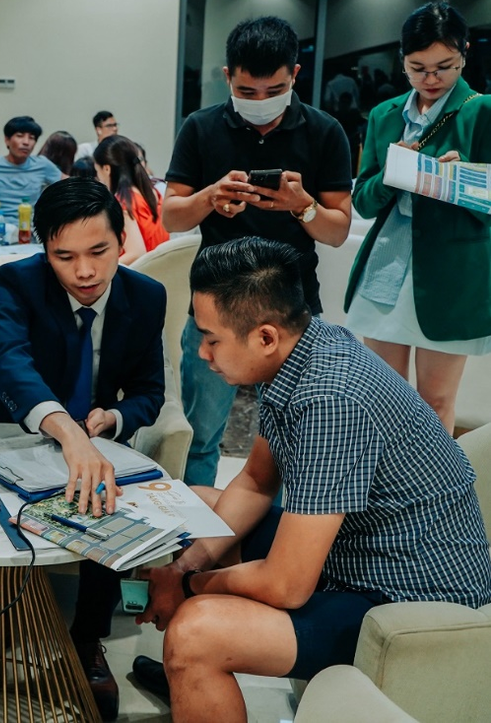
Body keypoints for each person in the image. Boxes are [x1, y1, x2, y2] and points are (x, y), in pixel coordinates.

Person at [131, 237, 491, 723]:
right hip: (357, 553)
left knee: (195, 632)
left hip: (407, 597)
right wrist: (181, 569)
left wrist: (191, 587)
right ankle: (191, 684)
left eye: (212, 339)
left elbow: (286, 586)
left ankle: (192, 663)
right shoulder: (302, 348)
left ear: (265, 337)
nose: (203, 352)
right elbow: (256, 481)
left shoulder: (331, 401)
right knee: (197, 505)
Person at [0, 177, 166, 721]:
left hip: (91, 431)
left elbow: (150, 390)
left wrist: (114, 418)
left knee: (104, 497)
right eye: (65, 256)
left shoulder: (146, 295)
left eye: (98, 252)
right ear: (45, 251)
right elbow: (7, 360)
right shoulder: (18, 280)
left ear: (121, 240)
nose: (84, 271)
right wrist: (69, 432)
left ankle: (87, 641)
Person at [161, 15, 353, 488]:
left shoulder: (325, 131)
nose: (261, 102)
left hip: (292, 308)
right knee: (200, 434)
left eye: (275, 90)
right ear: (228, 76)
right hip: (215, 308)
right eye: (247, 91)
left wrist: (301, 206)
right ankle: (198, 522)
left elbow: (337, 232)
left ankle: (285, 526)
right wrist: (210, 197)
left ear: (295, 75)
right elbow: (172, 217)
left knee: (296, 436)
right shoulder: (201, 127)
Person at [344, 1, 491, 434]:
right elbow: (364, 202)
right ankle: (386, 477)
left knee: (436, 401)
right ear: (402, 60)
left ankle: (435, 480)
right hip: (387, 266)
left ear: (464, 53)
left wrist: (462, 178)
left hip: (451, 275)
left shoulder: (481, 111)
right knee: (383, 398)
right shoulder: (385, 115)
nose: (431, 79)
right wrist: (393, 174)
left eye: (444, 67)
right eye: (417, 68)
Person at [0, 116, 62, 225]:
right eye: (20, 136)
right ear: (7, 140)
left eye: (31, 138)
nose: (26, 142)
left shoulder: (42, 165)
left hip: (28, 231)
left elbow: (70, 183)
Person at [92, 134, 169, 264]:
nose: (98, 177)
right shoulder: (152, 193)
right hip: (161, 268)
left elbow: (136, 253)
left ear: (106, 169)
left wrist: (103, 268)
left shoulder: (123, 203)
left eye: (97, 171)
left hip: (141, 271)